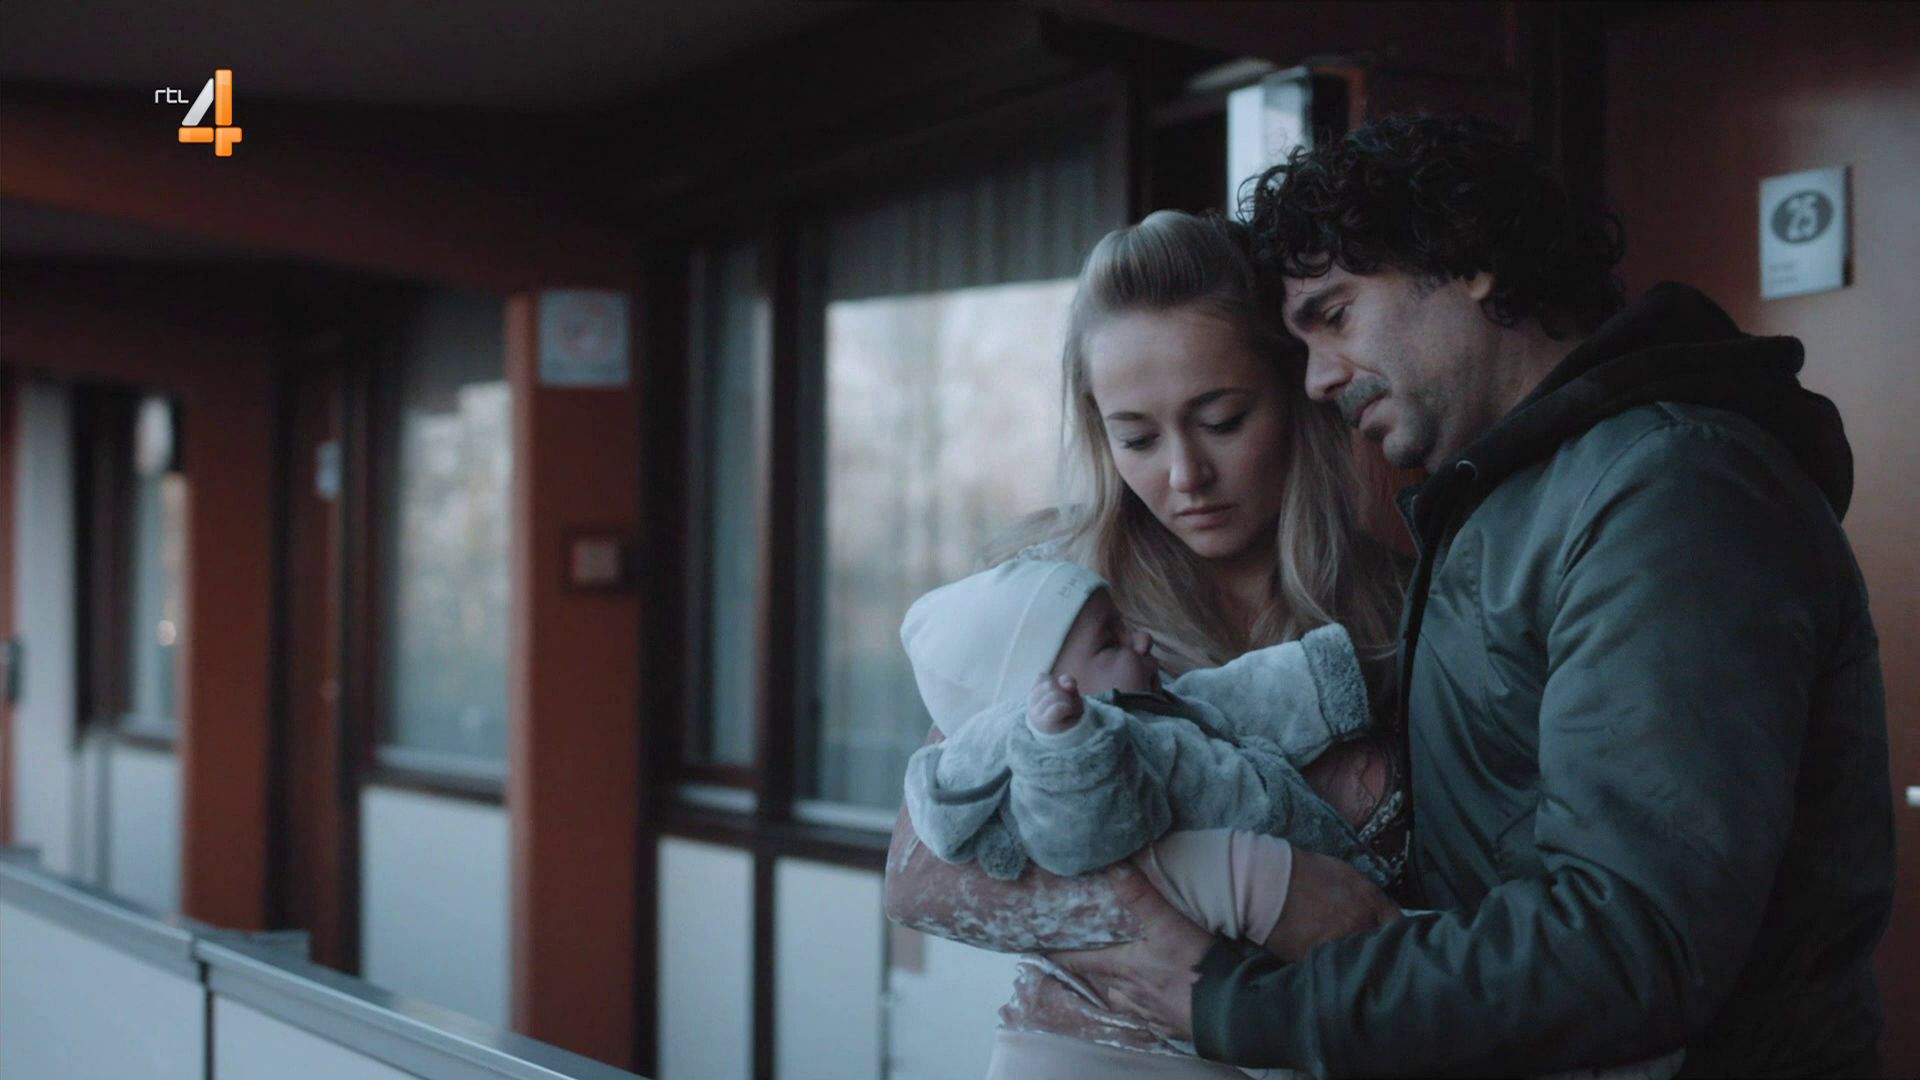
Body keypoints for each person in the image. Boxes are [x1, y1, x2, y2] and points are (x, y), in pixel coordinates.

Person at [1049, 114, 1894, 1077]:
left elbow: (1635, 938)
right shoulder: (1518, 498)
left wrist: (1243, 1004)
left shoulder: (1667, 489)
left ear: (1473, 264)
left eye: (1334, 316)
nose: (1319, 379)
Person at [882, 209, 1412, 1076]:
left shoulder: (1403, 603)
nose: (1183, 475)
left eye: (1223, 420)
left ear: (1295, 390)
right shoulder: (1051, 598)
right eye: (1136, 436)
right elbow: (921, 880)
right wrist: (1254, 900)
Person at [899, 557, 1389, 884]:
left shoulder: (1158, 710)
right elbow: (1081, 835)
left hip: (1330, 867)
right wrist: (1066, 752)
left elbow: (1233, 695)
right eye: (1110, 641)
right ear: (1047, 697)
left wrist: (1326, 673)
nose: (1143, 640)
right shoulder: (1088, 778)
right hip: (1261, 930)